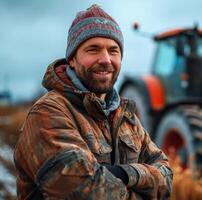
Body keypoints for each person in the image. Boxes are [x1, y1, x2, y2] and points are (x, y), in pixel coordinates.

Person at [14, 4, 172, 200]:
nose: (105, 59)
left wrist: (120, 173)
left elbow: (167, 176)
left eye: (113, 50)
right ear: (72, 59)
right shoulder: (49, 112)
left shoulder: (125, 116)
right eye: (93, 49)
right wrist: (141, 181)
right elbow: (85, 192)